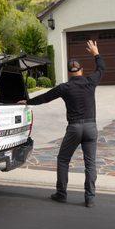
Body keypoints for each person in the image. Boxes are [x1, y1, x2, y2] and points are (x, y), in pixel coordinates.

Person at [18, 40, 104, 208]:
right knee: (90, 164)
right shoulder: (90, 82)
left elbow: (45, 98)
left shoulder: (64, 87)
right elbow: (101, 68)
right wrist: (96, 53)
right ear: (81, 70)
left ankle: (61, 193)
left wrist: (27, 102)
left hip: (74, 128)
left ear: (68, 72)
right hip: (91, 128)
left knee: (63, 159)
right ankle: (90, 198)